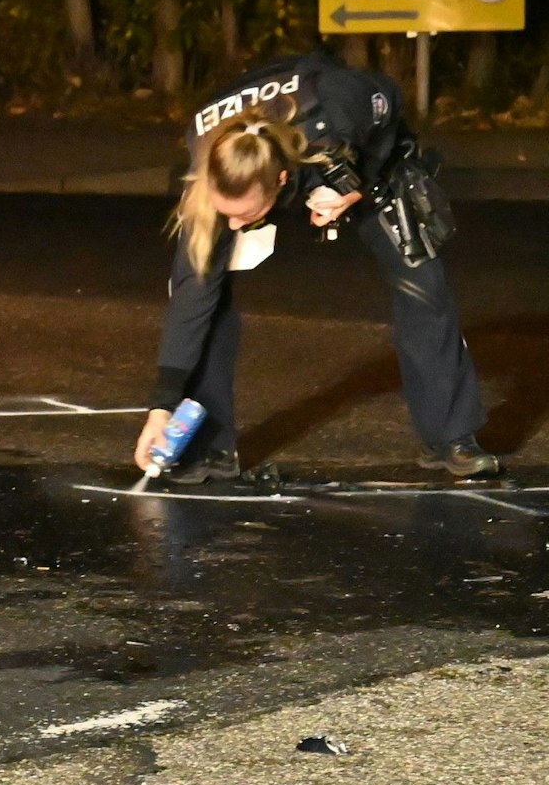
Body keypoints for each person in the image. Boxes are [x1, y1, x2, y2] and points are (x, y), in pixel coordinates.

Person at [132, 48, 498, 482]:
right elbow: (189, 304)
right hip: (269, 157)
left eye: (243, 215)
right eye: (225, 212)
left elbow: (392, 99)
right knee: (202, 296)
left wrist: (355, 187)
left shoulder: (338, 105)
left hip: (358, 160)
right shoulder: (207, 163)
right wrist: (162, 406)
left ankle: (450, 437)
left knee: (423, 282)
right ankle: (209, 447)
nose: (233, 225)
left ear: (282, 181)